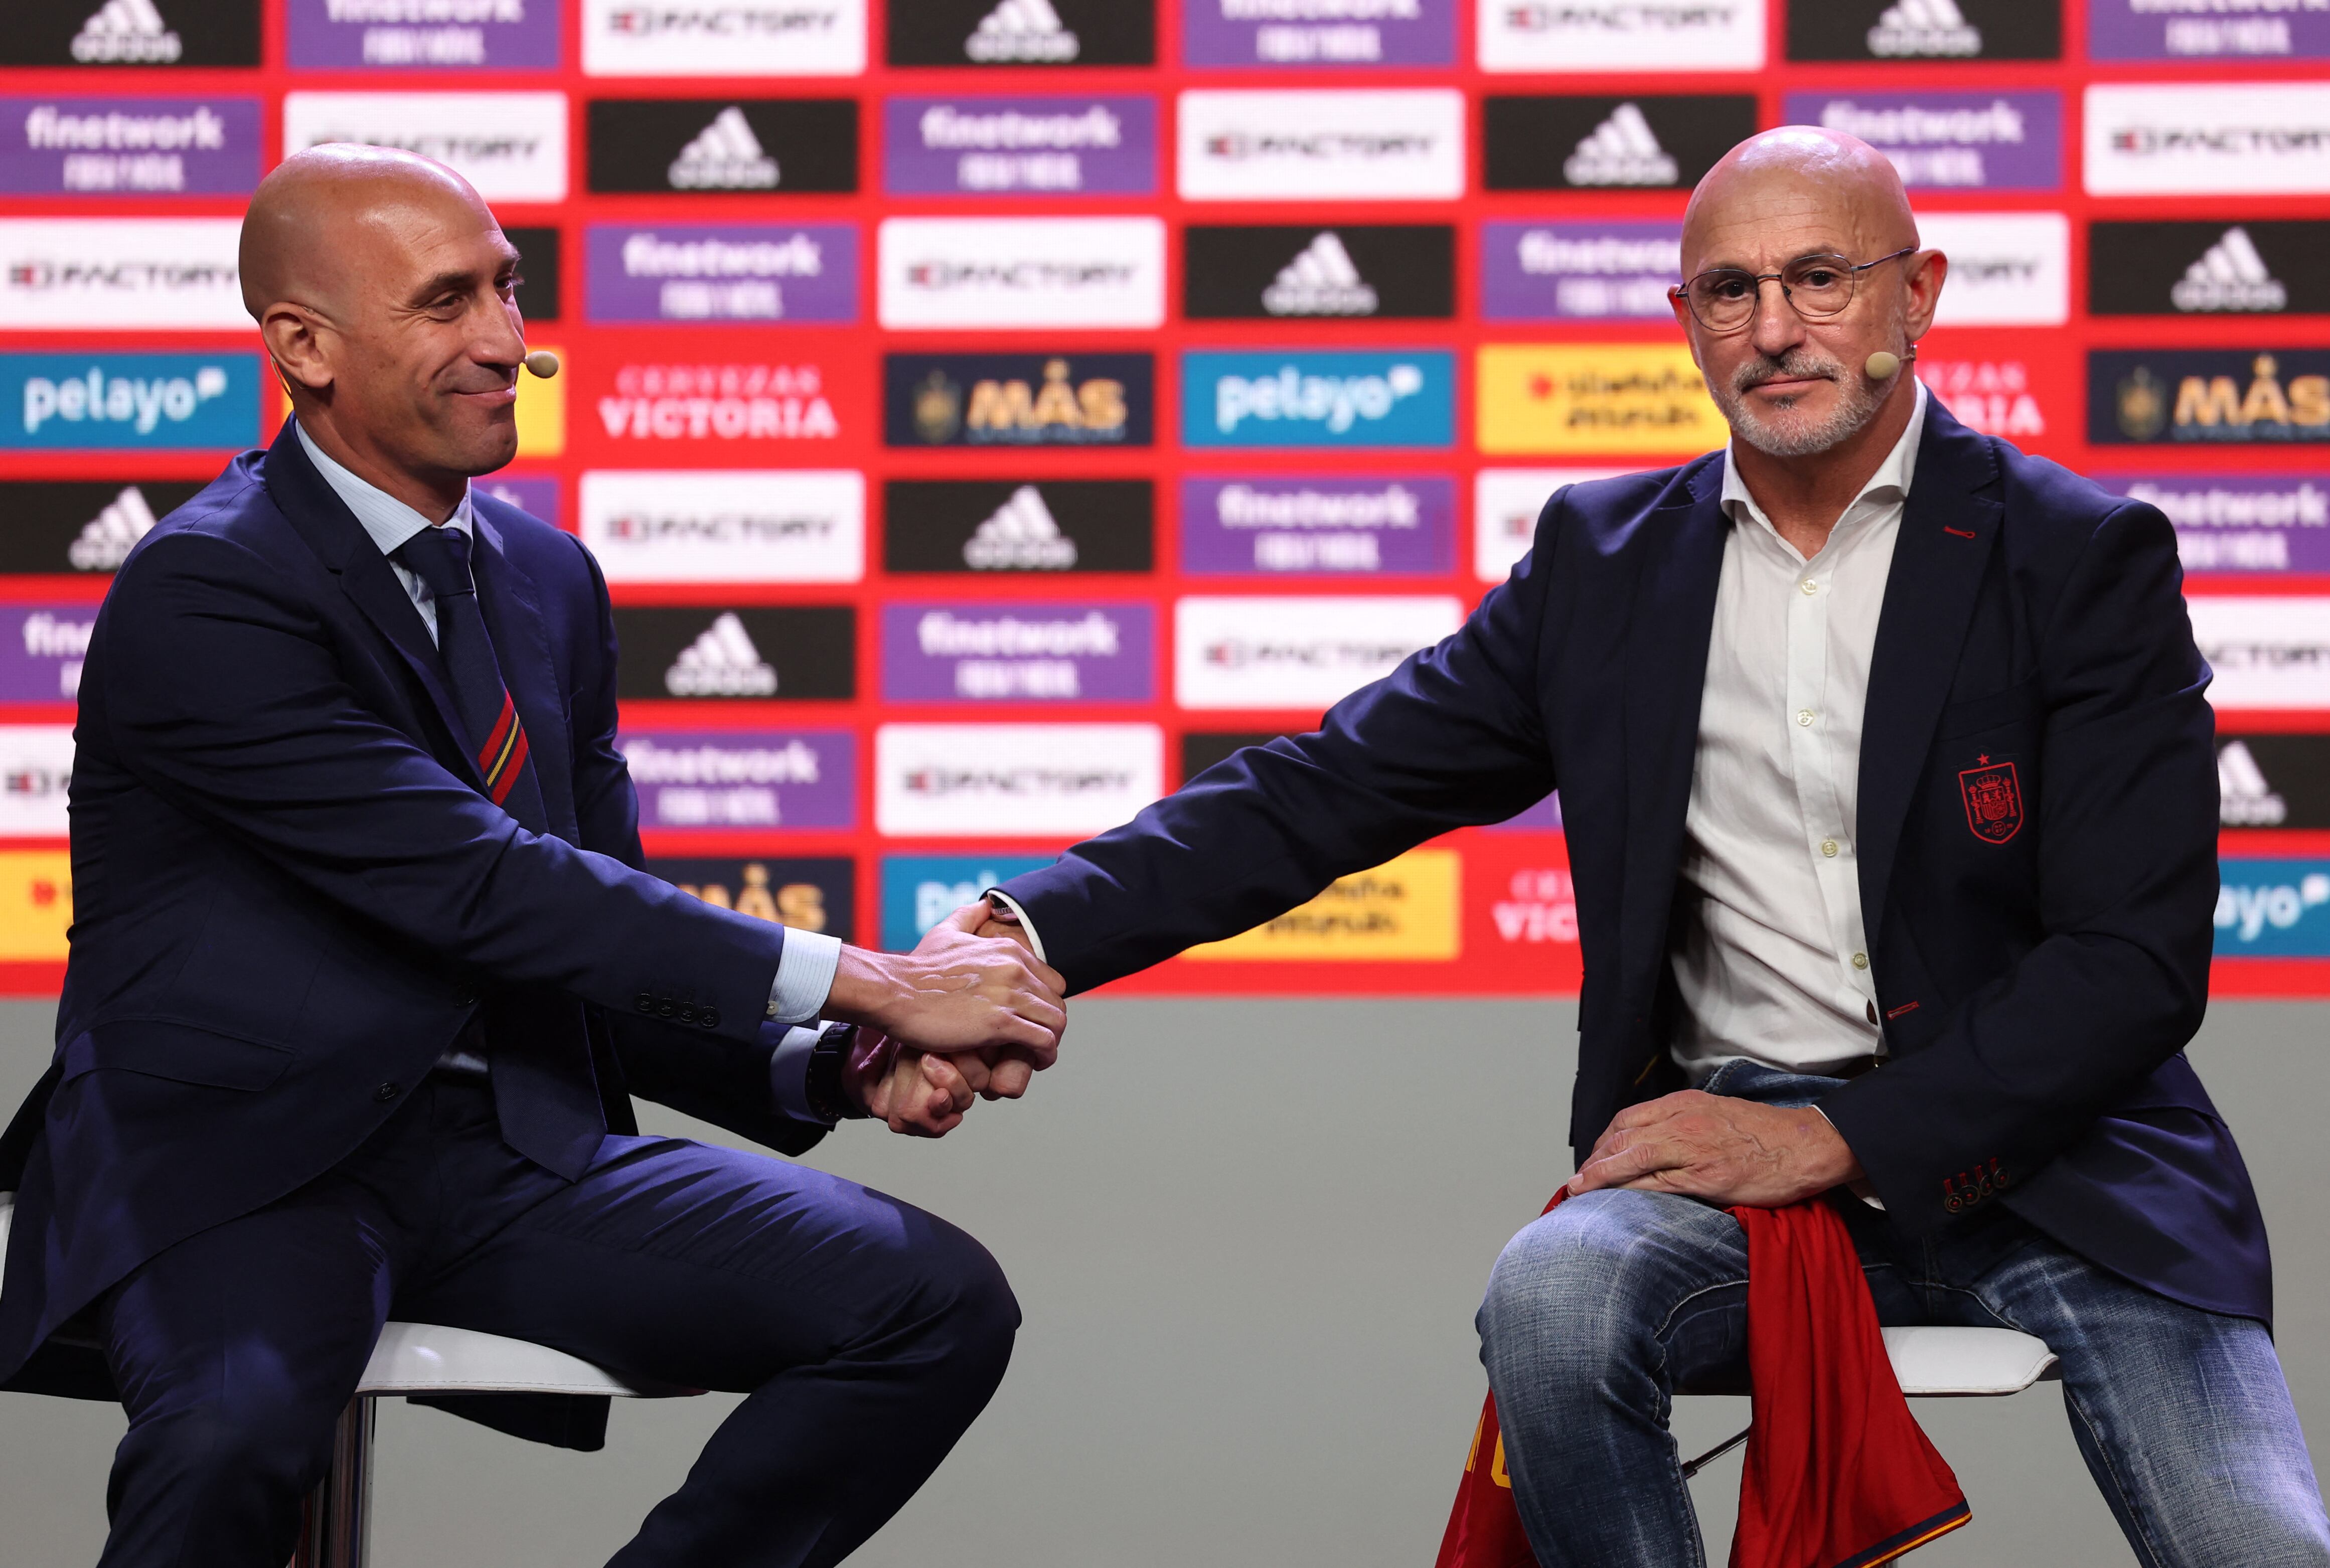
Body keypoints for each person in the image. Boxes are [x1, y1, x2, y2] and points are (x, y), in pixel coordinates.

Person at [978, 128, 2330, 1564]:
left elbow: (2131, 966)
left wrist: (1831, 1139)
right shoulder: (1605, 564)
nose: (1776, 330)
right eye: (1730, 292)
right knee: (1550, 1299)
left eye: (1822, 278)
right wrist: (1025, 929)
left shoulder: (2080, 555)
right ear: (1685, 324)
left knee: (2262, 1546)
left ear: (1917, 293)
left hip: (2065, 1168)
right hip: (1725, 1179)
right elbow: (1330, 787)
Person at [0, 144, 1066, 1568]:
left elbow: (592, 938)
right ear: (302, 346)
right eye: (446, 303)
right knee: (236, 1437)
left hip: (508, 1154)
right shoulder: (208, 583)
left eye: (509, 289)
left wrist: (829, 1064)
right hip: (241, 1163)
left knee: (931, 1303)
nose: (507, 341)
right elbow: (480, 881)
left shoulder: (546, 577)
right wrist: (877, 984)